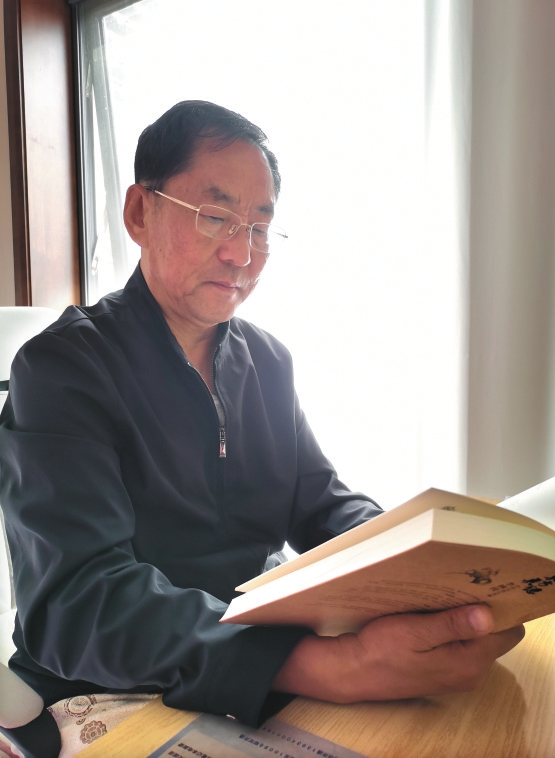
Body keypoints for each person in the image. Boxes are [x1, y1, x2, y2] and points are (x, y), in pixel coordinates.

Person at [0, 101, 524, 727]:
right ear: (141, 213)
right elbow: (77, 602)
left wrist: (423, 570)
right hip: (109, 688)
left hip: (259, 660)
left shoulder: (268, 361)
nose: (241, 254)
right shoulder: (62, 369)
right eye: (216, 217)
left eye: (258, 228)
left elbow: (322, 504)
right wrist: (325, 666)